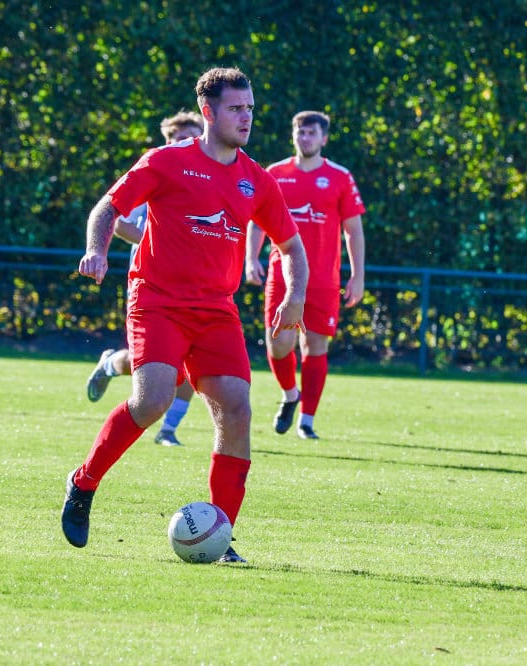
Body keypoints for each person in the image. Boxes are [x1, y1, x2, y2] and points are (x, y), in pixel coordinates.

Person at [64, 67, 309, 564]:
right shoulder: (167, 161)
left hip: (216, 310)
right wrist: (96, 250)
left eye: (250, 108)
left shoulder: (256, 180)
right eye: (236, 108)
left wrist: (296, 296)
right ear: (208, 112)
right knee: (153, 400)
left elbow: (291, 248)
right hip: (157, 300)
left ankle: (220, 535)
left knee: (237, 410)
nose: (246, 117)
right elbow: (107, 209)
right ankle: (83, 482)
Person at [86, 111, 205, 447]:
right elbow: (118, 219)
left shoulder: (211, 176)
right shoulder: (157, 172)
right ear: (167, 142)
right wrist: (157, 241)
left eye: (192, 137)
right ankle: (111, 363)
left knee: (192, 362)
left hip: (198, 288)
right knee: (155, 367)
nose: (186, 143)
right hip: (152, 286)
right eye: (178, 138)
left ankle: (169, 430)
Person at [245, 110, 366, 440]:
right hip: (282, 275)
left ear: (324, 138)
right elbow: (256, 219)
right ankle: (290, 395)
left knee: (315, 346)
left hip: (324, 279)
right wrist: (251, 258)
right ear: (293, 135)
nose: (305, 137)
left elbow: (353, 230)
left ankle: (307, 421)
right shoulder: (275, 173)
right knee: (278, 344)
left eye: (312, 132)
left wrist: (358, 276)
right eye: (300, 131)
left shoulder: (340, 177)